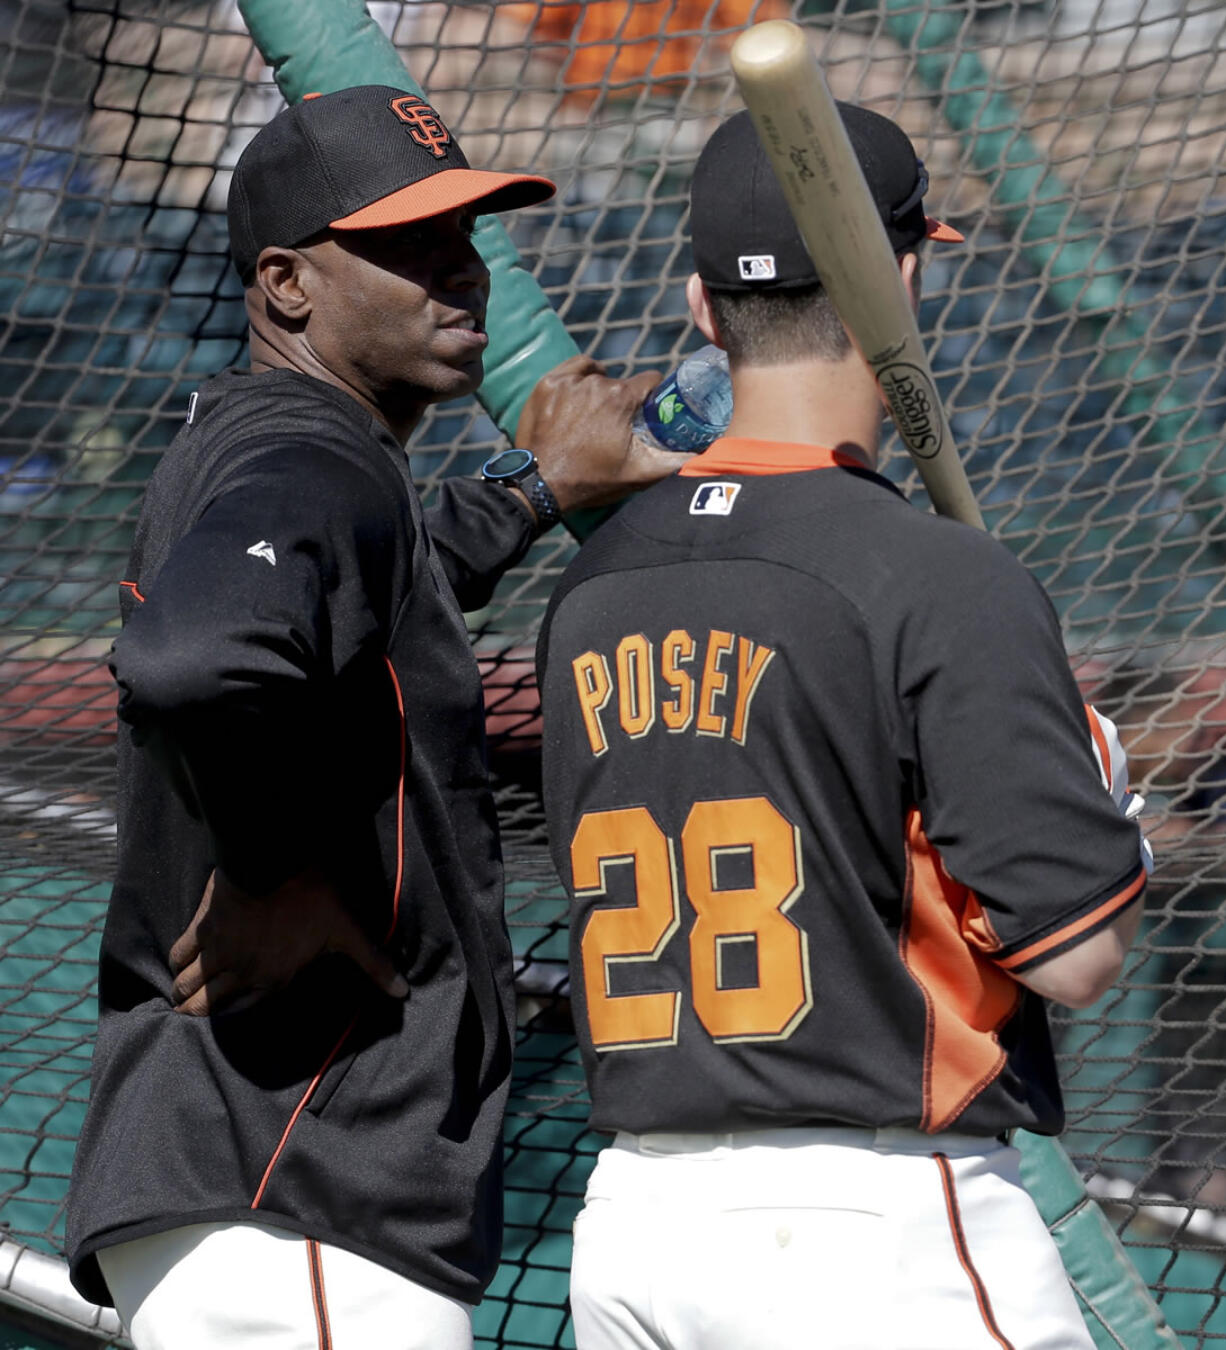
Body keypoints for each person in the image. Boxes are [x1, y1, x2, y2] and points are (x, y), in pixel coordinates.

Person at [64, 84, 688, 1349]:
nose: (460, 277)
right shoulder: (310, 453)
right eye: (408, 247)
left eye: (465, 241)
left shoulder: (292, 452)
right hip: (295, 1175)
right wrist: (276, 867)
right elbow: (192, 653)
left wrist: (524, 488)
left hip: (253, 1185)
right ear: (288, 284)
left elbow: (376, 592)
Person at [536, 105, 1153, 1349]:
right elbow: (1075, 963)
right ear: (899, 279)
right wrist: (1100, 789)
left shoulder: (586, 590)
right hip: (873, 1235)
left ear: (703, 310)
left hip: (630, 1235)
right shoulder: (939, 581)